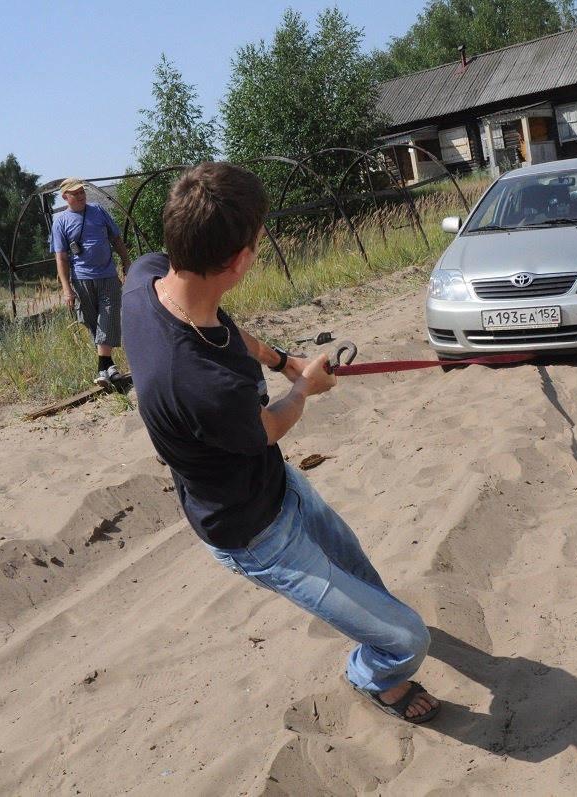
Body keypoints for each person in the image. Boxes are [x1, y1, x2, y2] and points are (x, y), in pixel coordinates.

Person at [121, 162, 440, 724]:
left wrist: (281, 359)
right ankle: (374, 676)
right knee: (410, 640)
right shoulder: (203, 385)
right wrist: (304, 388)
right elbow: (268, 426)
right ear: (241, 259)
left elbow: (218, 321)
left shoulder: (148, 278)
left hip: (279, 485)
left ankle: (377, 629)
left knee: (368, 583)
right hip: (255, 535)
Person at [51, 178, 134, 389]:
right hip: (81, 280)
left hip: (108, 276)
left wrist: (126, 261)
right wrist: (66, 289)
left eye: (82, 191)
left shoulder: (97, 210)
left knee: (109, 317)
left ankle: (101, 367)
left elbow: (115, 238)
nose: (80, 195)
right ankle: (110, 367)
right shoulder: (60, 222)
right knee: (92, 322)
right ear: (65, 197)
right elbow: (61, 257)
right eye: (75, 193)